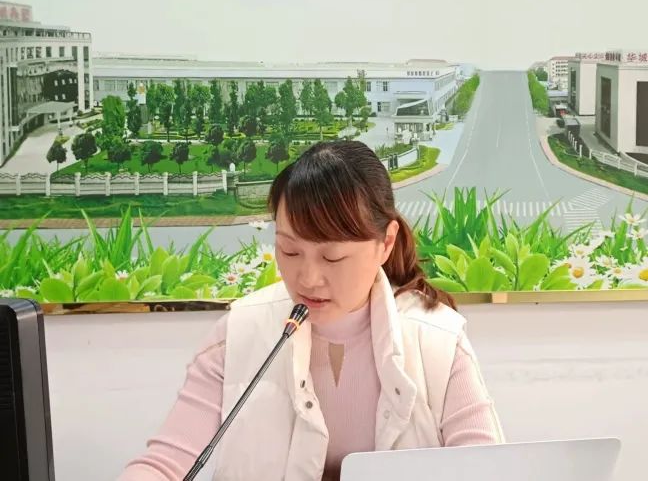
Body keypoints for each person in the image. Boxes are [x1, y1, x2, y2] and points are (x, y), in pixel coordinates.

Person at [118, 141, 504, 481]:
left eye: (332, 257)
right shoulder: (238, 333)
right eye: (289, 251)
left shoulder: (438, 341)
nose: (307, 278)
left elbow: (489, 469)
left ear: (386, 243)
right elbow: (165, 464)